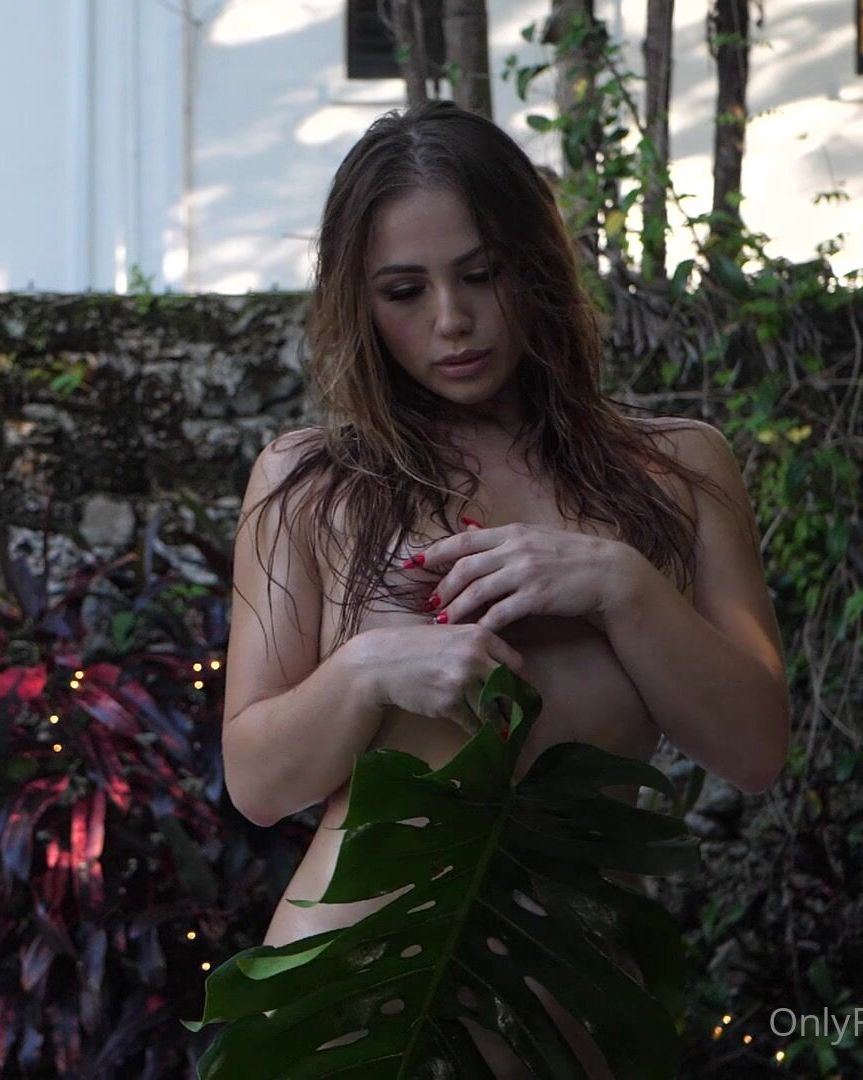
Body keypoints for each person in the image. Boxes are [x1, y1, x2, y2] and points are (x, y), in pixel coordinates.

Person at [218, 100, 790, 1078]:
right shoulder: (310, 482)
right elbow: (259, 785)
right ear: (359, 302)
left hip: (562, 1023)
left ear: (537, 265)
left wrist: (620, 585)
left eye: (481, 274)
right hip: (349, 1018)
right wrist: (367, 670)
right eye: (404, 291)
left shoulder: (679, 471)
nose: (452, 320)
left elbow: (755, 750)